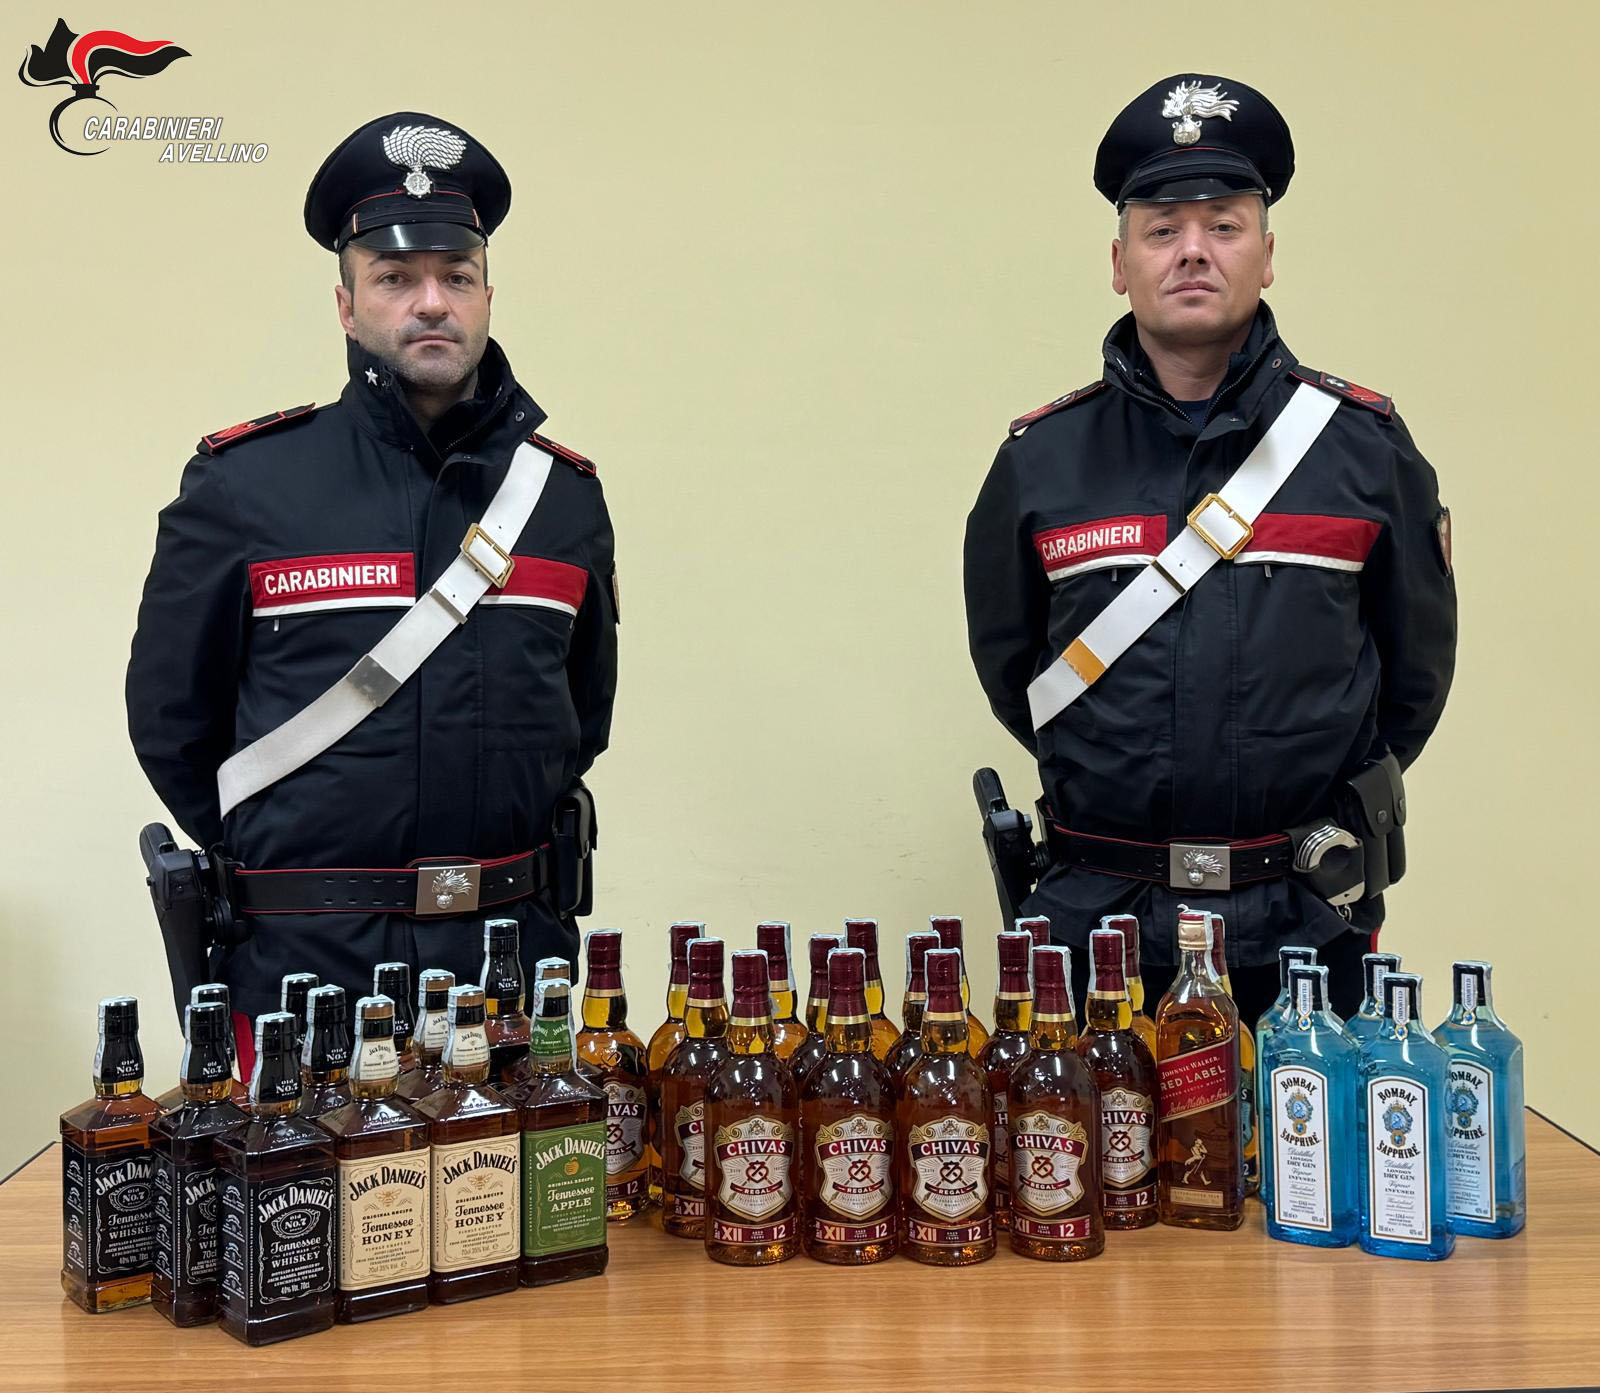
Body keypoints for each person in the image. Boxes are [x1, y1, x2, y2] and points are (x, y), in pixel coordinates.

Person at [127, 112, 618, 1072]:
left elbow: (580, 719)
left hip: (514, 971)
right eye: (396, 277)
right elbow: (171, 723)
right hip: (304, 978)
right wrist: (298, 857)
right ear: (347, 305)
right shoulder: (243, 487)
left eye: (457, 276)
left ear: (487, 295)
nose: (432, 302)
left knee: (516, 1183)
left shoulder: (563, 500)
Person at [963, 75, 1455, 1027]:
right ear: (1121, 262)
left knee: (1315, 1134)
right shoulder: (1038, 463)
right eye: (1163, 229)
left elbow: (1412, 682)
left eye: (1224, 225)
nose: (1193, 249)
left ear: (1267, 255)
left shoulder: (1365, 452)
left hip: (1306, 926)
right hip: (1098, 929)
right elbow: (1015, 676)